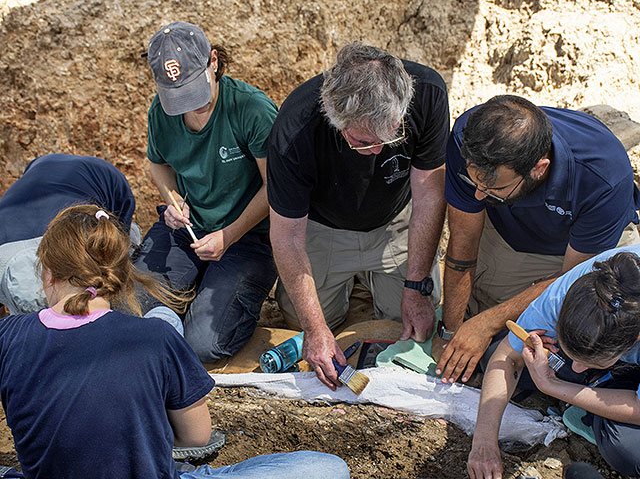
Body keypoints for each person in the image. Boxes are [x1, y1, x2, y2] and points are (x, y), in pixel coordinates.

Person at [0, 204, 350, 478]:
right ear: (123, 275)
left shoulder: (10, 336)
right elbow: (197, 437)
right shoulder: (155, 339)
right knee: (329, 469)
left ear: (47, 272)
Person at [268, 42, 450, 389]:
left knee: (413, 323)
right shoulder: (294, 129)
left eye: (392, 135)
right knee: (303, 322)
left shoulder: (428, 92)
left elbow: (428, 194)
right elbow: (287, 236)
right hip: (323, 227)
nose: (379, 150)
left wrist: (416, 287)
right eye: (364, 142)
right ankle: (356, 286)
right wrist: (315, 328)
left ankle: (372, 284)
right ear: (330, 111)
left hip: (396, 220)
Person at [434, 95, 640, 384]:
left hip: (588, 248)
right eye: (473, 181)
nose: (478, 195)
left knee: (580, 339)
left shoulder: (604, 178)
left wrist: (486, 325)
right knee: (484, 308)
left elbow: (571, 279)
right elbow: (463, 243)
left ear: (539, 168)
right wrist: (452, 332)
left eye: (494, 187)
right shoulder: (472, 135)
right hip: (514, 233)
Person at [134, 22, 278, 362]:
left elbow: (277, 188)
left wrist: (228, 235)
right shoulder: (161, 111)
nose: (189, 105)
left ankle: (204, 295)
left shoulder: (252, 109)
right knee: (130, 311)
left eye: (194, 89)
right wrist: (173, 199)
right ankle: (187, 292)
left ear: (213, 61)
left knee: (204, 345)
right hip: (188, 227)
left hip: (248, 235)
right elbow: (159, 164)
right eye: (177, 95)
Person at [468, 245, 640, 478]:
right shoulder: (569, 294)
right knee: (495, 359)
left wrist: (553, 385)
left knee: (627, 452)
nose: (576, 366)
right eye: (573, 356)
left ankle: (605, 387)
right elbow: (507, 357)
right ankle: (597, 388)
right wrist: (484, 442)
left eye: (590, 362)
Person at [0, 153, 136, 315]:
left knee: (29, 331)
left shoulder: (28, 181)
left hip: (5, 251)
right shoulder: (113, 181)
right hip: (61, 248)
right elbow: (117, 245)